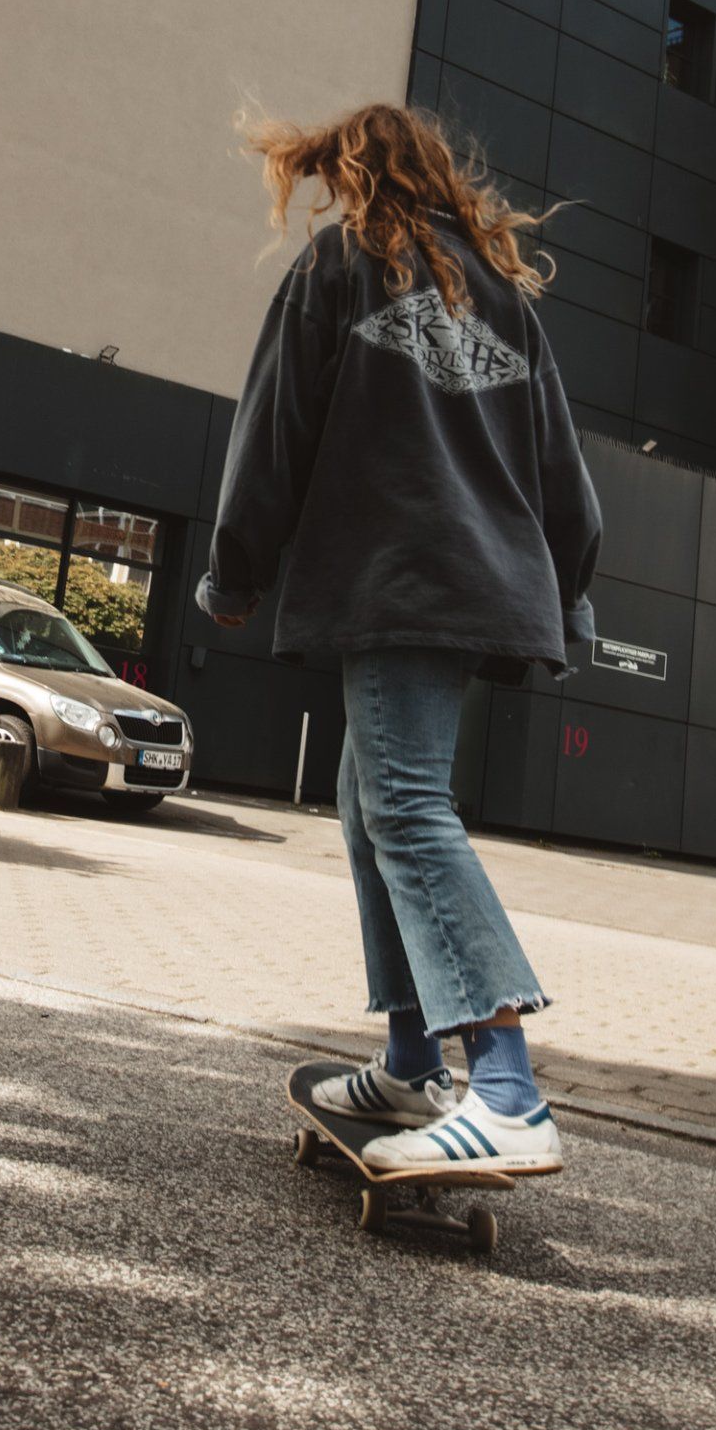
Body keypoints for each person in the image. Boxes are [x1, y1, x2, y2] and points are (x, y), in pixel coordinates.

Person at [198, 100, 601, 1180]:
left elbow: (275, 425)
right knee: (368, 802)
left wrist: (236, 572)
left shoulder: (339, 270)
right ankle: (413, 1060)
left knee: (408, 808)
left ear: (351, 176)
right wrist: (569, 592)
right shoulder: (505, 297)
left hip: (400, 574)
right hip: (483, 587)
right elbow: (566, 475)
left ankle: (507, 1089)